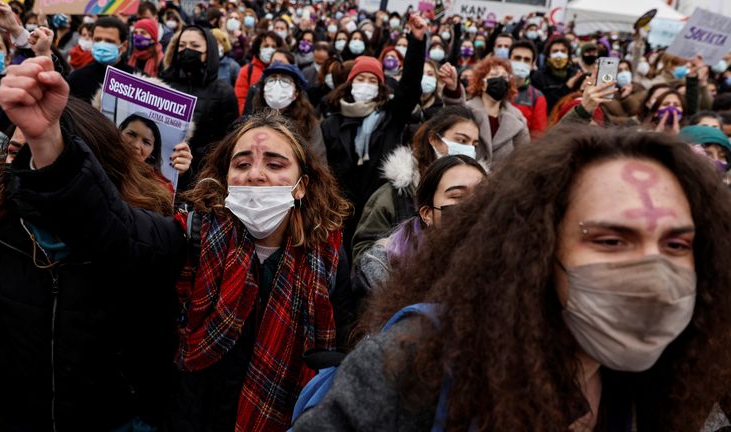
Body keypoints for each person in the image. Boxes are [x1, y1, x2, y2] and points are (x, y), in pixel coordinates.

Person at [292, 125, 731, 431]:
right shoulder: (422, 359)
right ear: (539, 247)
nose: (652, 273)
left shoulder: (681, 385)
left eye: (677, 245)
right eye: (611, 240)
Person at [0, 58, 183, 431]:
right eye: (18, 152)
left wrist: (49, 143)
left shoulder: (156, 235)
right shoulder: (5, 230)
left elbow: (109, 227)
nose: (25, 169)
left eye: (42, 154)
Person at [169, 112, 351, 432]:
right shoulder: (192, 235)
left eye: (275, 164)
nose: (255, 174)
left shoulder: (330, 258)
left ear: (301, 186)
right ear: (225, 178)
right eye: (241, 164)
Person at [321, 15, 427, 256]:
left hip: (379, 210)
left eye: (372, 80)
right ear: (350, 84)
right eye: (361, 79)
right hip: (338, 211)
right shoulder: (331, 123)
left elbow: (410, 86)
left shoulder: (391, 116)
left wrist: (417, 41)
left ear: (380, 87)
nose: (366, 84)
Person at [352, 105, 481, 263]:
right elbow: (363, 254)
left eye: (474, 144)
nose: (468, 149)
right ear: (434, 139)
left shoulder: (483, 190)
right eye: (461, 140)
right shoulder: (391, 196)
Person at [355, 155, 485, 300]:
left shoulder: (506, 256)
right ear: (427, 213)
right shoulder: (383, 264)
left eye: (482, 195)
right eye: (457, 196)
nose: (473, 204)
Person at [161, 25, 239, 188]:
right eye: (182, 46)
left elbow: (228, 143)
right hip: (165, 174)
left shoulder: (223, 92)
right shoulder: (164, 84)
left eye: (195, 46)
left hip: (203, 180)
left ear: (208, 52)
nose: (187, 50)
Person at [446, 57, 530, 165]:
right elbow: (451, 114)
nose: (500, 80)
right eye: (494, 75)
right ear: (482, 83)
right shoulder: (467, 110)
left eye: (504, 77)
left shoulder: (518, 119)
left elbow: (523, 158)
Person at [247, 62, 326, 162]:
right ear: (263, 91)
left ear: (296, 93)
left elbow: (318, 162)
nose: (277, 86)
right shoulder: (251, 122)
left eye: (284, 81)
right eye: (272, 80)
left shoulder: (308, 125)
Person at [67, 17, 133, 102]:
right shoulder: (75, 79)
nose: (102, 44)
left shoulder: (137, 80)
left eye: (109, 41)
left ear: (124, 46)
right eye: (97, 40)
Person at [531, 36, 583, 115]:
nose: (559, 55)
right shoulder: (538, 76)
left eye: (563, 51)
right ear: (548, 55)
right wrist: (566, 88)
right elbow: (542, 104)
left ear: (568, 55)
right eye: (555, 51)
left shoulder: (575, 74)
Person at [235, 31, 283, 114]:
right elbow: (240, 99)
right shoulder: (247, 70)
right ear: (258, 49)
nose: (270, 49)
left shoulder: (283, 71)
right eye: (266, 46)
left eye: (273, 46)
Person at [509, 39, 547, 138]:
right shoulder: (495, 87)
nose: (522, 62)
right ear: (508, 60)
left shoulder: (537, 97)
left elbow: (538, 135)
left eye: (526, 60)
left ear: (532, 65)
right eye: (517, 58)